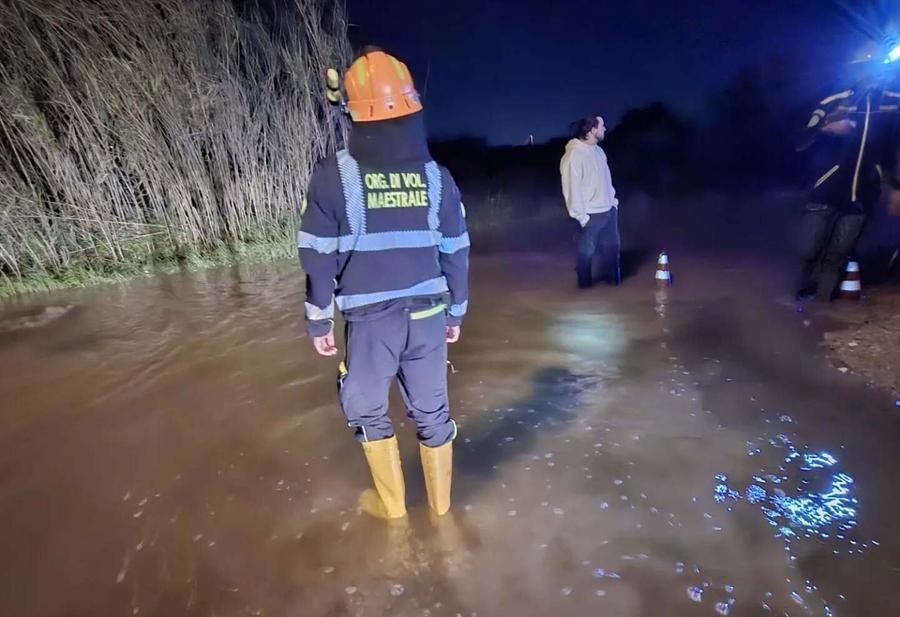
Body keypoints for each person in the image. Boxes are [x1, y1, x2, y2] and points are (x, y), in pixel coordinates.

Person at [298, 47, 469, 520]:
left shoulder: (336, 176)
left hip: (372, 322)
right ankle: (442, 514)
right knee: (433, 413)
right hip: (430, 313)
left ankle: (393, 513)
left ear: (354, 112)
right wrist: (456, 311)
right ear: (413, 107)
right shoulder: (438, 177)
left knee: (368, 408)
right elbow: (456, 250)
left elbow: (317, 256)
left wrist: (318, 322)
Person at [796, 64, 900, 301]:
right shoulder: (835, 99)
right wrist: (826, 128)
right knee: (808, 249)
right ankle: (800, 298)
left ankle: (821, 306)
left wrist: (896, 186)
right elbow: (800, 139)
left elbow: (894, 149)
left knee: (838, 255)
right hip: (824, 189)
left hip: (862, 196)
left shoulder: (893, 103)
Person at [560, 115, 621, 289]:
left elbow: (606, 180)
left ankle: (615, 291)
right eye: (602, 125)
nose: (605, 128)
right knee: (586, 255)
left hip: (609, 211)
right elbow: (571, 189)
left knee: (612, 252)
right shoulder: (573, 155)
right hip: (590, 215)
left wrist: (613, 202)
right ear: (592, 130)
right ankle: (585, 294)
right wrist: (582, 218)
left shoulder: (599, 151)